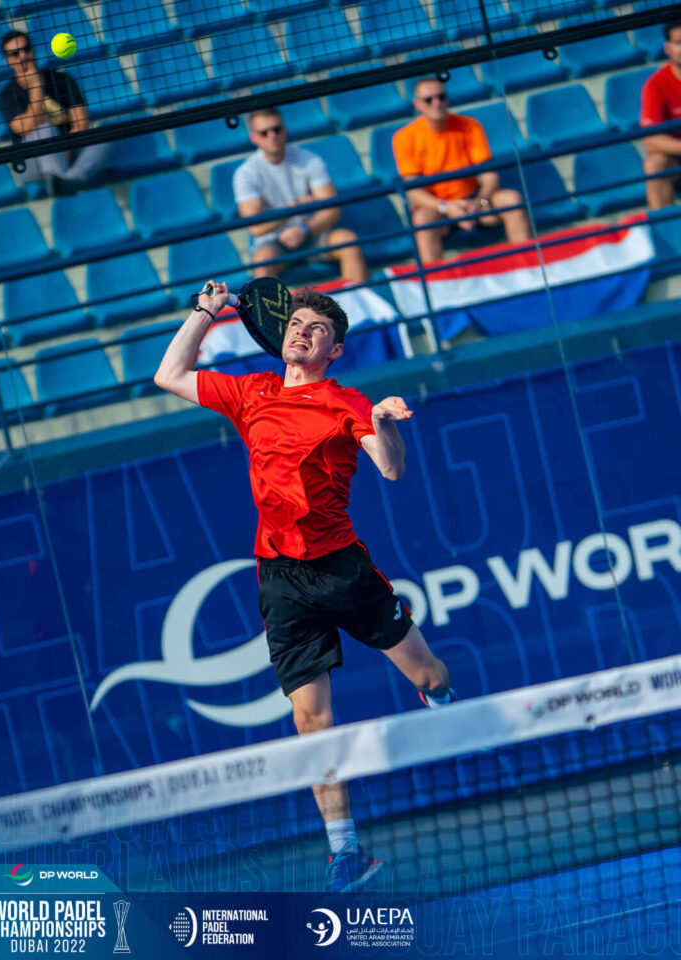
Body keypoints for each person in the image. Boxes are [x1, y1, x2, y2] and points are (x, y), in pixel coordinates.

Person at [154, 281, 454, 893]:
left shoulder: (346, 402)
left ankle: (447, 708)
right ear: (281, 334)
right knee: (312, 720)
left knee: (429, 677)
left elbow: (391, 468)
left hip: (343, 570)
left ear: (333, 350)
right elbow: (169, 374)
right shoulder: (251, 393)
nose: (302, 331)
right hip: (279, 579)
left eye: (317, 329)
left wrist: (382, 423)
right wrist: (206, 311)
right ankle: (345, 851)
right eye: (296, 323)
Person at [392, 78, 531, 264]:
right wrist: (447, 207)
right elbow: (414, 191)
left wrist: (478, 202)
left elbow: (490, 175)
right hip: (438, 207)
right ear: (417, 104)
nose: (437, 103)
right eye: (429, 100)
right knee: (422, 220)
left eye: (441, 97)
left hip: (476, 198)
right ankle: (435, 279)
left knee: (512, 200)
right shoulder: (404, 138)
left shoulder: (470, 125)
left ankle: (528, 265)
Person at [233, 108, 367, 283]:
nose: (272, 136)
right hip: (275, 242)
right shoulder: (245, 173)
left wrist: (304, 230)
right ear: (254, 138)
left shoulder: (309, 160)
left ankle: (358, 298)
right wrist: (294, 208)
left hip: (313, 232)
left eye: (276, 129)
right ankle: (271, 304)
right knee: (262, 262)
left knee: (348, 241)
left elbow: (333, 210)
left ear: (284, 131)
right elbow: (256, 227)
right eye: (264, 133)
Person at [0, 30, 110, 196]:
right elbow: (26, 128)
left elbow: (81, 122)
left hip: (69, 150)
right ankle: (63, 183)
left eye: (26, 49)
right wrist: (36, 85)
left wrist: (65, 146)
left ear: (33, 51)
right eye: (15, 54)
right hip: (31, 161)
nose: (23, 56)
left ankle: (68, 181)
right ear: (7, 61)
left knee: (104, 134)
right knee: (44, 129)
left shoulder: (62, 80)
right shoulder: (7, 95)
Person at [641, 21, 681, 210]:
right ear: (668, 48)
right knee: (655, 164)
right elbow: (651, 141)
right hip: (677, 160)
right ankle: (664, 224)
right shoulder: (655, 85)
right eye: (679, 43)